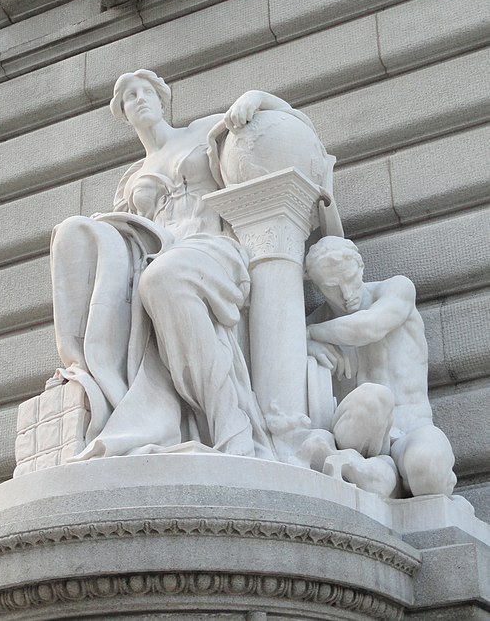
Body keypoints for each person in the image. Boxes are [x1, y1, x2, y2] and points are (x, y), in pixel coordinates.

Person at [51, 70, 333, 461]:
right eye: (130, 97)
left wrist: (256, 94)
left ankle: (231, 427)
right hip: (159, 255)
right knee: (82, 236)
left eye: (146, 91)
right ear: (123, 113)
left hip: (216, 249)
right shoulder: (130, 179)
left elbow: (292, 121)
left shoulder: (200, 131)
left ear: (162, 98)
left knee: (163, 277)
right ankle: (98, 381)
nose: (140, 99)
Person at [305, 236, 456, 496]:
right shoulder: (318, 321)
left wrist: (308, 334)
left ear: (361, 266)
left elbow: (369, 326)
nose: (346, 293)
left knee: (429, 468)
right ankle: (377, 471)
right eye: (331, 287)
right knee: (373, 397)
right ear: (318, 287)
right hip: (360, 433)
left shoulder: (396, 289)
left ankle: (388, 475)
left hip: (413, 426)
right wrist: (304, 344)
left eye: (349, 278)